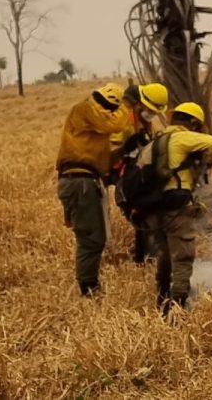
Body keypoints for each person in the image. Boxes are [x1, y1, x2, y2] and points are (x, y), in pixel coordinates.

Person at [139, 102, 212, 314]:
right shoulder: (182, 137)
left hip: (153, 211)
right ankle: (178, 308)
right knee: (183, 257)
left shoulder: (154, 143)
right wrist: (207, 163)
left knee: (165, 255)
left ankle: (162, 300)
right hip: (177, 207)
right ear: (193, 123)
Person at [56, 83, 132, 296]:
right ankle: (88, 288)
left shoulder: (95, 133)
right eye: (111, 107)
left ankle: (89, 285)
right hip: (80, 182)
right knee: (91, 238)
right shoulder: (84, 109)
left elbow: (104, 165)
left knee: (94, 237)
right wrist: (126, 106)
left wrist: (126, 149)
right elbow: (114, 125)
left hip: (85, 181)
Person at [110, 82, 170, 263]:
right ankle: (146, 259)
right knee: (144, 217)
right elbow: (113, 149)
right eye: (149, 109)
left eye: (154, 111)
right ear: (140, 103)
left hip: (142, 178)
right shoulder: (124, 119)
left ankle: (144, 259)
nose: (150, 114)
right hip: (128, 178)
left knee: (147, 217)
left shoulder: (144, 122)